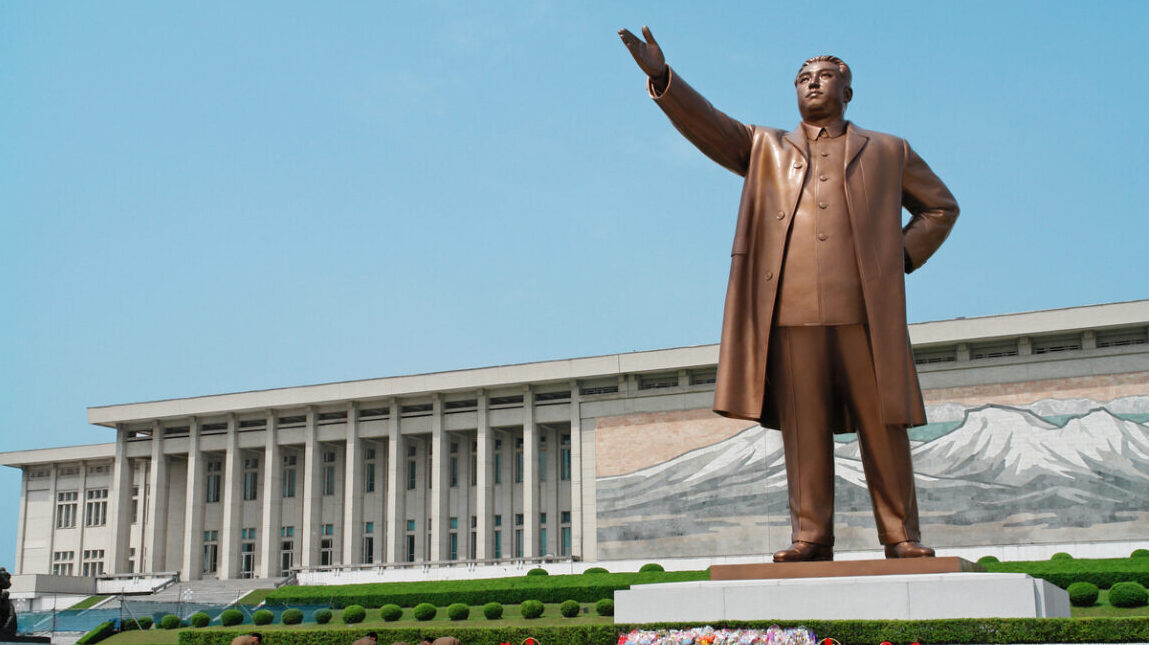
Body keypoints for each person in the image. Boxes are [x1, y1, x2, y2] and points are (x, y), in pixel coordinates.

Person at [618, 26, 958, 561]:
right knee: (803, 429)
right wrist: (664, 79)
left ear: (848, 91)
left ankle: (900, 534)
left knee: (883, 423)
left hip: (864, 311)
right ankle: (810, 536)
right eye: (803, 78)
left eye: (825, 77)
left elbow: (940, 208)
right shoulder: (765, 148)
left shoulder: (889, 151)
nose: (812, 83)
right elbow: (711, 125)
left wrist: (900, 255)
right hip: (790, 312)